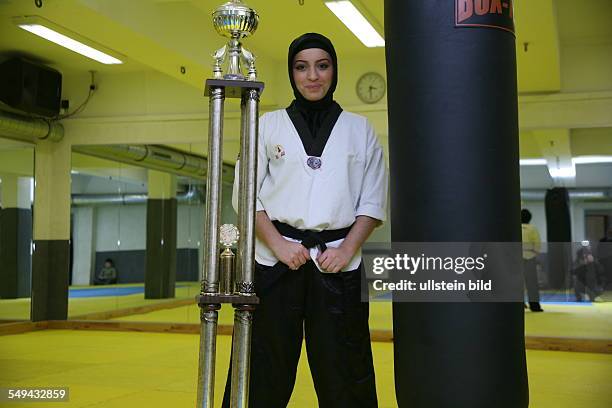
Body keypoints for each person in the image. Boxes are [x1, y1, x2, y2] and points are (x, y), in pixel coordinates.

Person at [224, 33, 387, 407]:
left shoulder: (360, 130)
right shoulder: (268, 125)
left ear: (334, 70)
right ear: (291, 73)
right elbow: (244, 193)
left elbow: (373, 201)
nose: (312, 76)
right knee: (263, 362)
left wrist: (347, 249)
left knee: (346, 364)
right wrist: (278, 245)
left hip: (338, 263)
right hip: (275, 260)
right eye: (302, 67)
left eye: (322, 65)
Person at [521, 209, 543, 312]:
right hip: (530, 257)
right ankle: (534, 306)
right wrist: (535, 254)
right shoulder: (533, 229)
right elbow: (537, 244)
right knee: (532, 283)